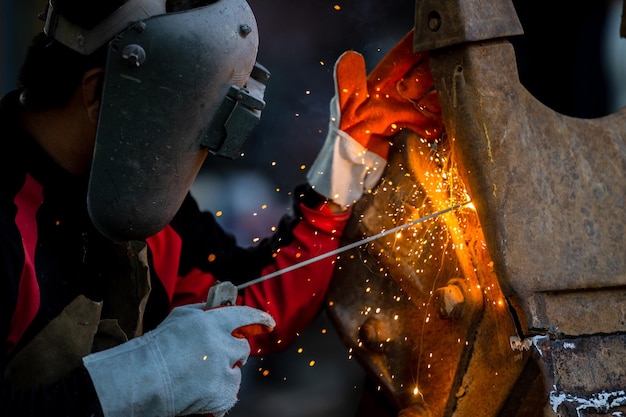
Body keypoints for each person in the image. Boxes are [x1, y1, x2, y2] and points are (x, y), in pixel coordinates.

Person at [0, 0, 441, 415]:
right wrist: (132, 385)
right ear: (99, 92)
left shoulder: (139, 197)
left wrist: (340, 177)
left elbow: (249, 304)